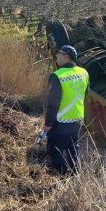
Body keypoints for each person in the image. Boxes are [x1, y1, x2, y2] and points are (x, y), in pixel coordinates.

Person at [42, 45, 89, 174]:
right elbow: (86, 93)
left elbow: (53, 104)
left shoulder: (57, 76)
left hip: (61, 121)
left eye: (59, 53)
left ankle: (65, 174)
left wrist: (47, 124)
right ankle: (75, 174)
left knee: (53, 150)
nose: (56, 55)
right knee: (73, 148)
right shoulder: (83, 72)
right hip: (77, 120)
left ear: (66, 56)